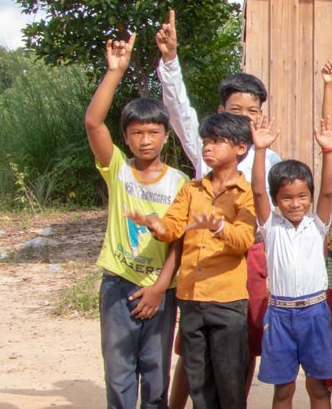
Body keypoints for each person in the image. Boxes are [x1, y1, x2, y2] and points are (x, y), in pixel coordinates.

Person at [154, 10, 277, 407]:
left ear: (261, 115)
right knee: (191, 355)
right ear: (222, 112)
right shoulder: (206, 150)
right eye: (235, 110)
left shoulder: (268, 161)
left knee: (242, 349)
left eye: (252, 111)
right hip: (202, 266)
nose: (244, 118)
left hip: (250, 259)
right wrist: (171, 61)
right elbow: (179, 110)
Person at [128, 112, 257, 409]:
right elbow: (173, 227)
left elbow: (244, 242)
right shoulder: (191, 189)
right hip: (190, 298)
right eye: (205, 142)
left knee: (231, 382)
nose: (207, 148)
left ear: (239, 147)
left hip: (227, 301)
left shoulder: (246, 193)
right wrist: (157, 226)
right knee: (198, 383)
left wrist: (219, 227)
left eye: (215, 141)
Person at [87, 33, 189, 409]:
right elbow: (94, 123)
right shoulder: (117, 170)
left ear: (165, 135)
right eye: (136, 133)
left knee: (156, 374)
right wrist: (115, 72)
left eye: (153, 132)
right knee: (118, 375)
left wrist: (161, 287)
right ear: (126, 138)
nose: (145, 140)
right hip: (118, 284)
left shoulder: (180, 182)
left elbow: (179, 241)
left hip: (161, 290)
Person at [249, 117, 332, 409]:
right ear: (276, 200)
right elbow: (258, 191)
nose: (296, 203)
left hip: (314, 314)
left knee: (318, 389)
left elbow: (327, 191)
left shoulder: (317, 225)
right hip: (279, 316)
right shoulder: (270, 228)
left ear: (310, 197)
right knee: (283, 390)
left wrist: (328, 153)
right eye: (286, 198)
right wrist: (260, 150)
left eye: (302, 196)